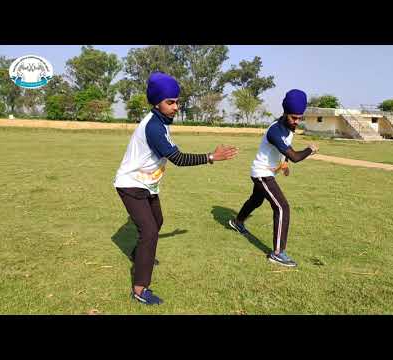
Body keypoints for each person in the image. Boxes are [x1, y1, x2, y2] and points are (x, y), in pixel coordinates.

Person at [114, 72, 238, 305]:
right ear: (156, 103)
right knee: (150, 231)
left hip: (147, 184)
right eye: (170, 102)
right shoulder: (154, 127)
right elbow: (178, 159)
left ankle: (139, 255)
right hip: (130, 184)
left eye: (177, 101)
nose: (176, 107)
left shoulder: (161, 122)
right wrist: (212, 156)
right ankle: (140, 290)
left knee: (157, 222)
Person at [228, 89, 317, 267]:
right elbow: (295, 156)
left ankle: (237, 222)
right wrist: (310, 149)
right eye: (294, 117)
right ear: (285, 113)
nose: (297, 122)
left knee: (256, 200)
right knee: (282, 207)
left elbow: (284, 152)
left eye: (300, 118)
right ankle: (277, 253)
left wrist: (283, 164)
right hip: (262, 173)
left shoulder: (288, 128)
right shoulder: (275, 131)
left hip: (266, 171)